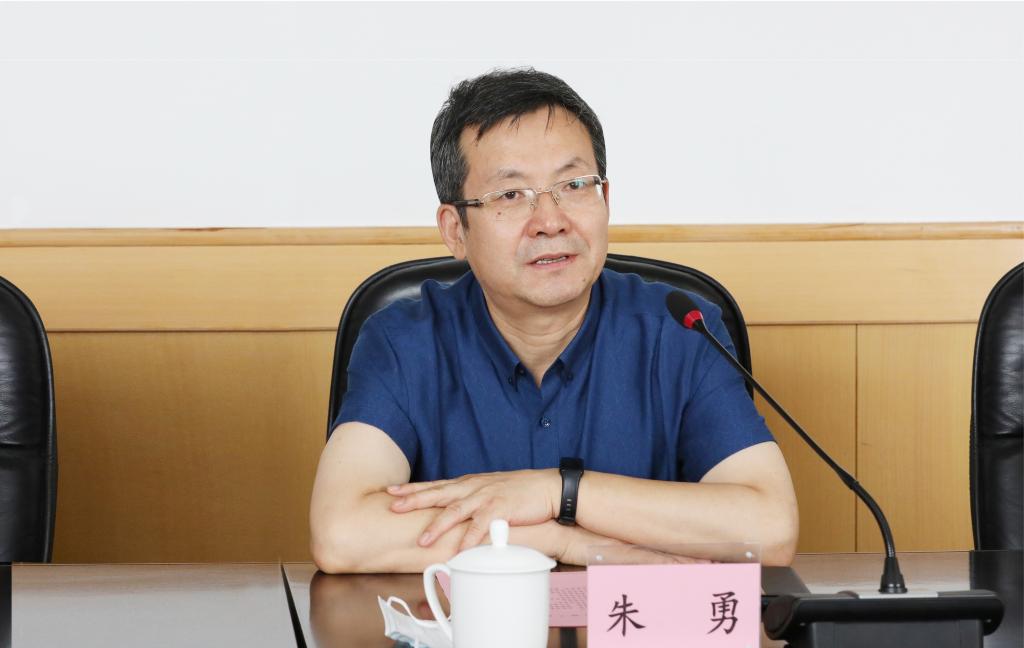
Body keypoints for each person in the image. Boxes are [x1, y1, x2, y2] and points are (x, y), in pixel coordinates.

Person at [310, 68, 798, 573]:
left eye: (575, 184)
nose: (550, 221)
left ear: (606, 200)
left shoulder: (681, 331)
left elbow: (771, 528)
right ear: (455, 230)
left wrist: (557, 492)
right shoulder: (404, 342)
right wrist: (556, 538)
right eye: (510, 195)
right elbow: (342, 535)